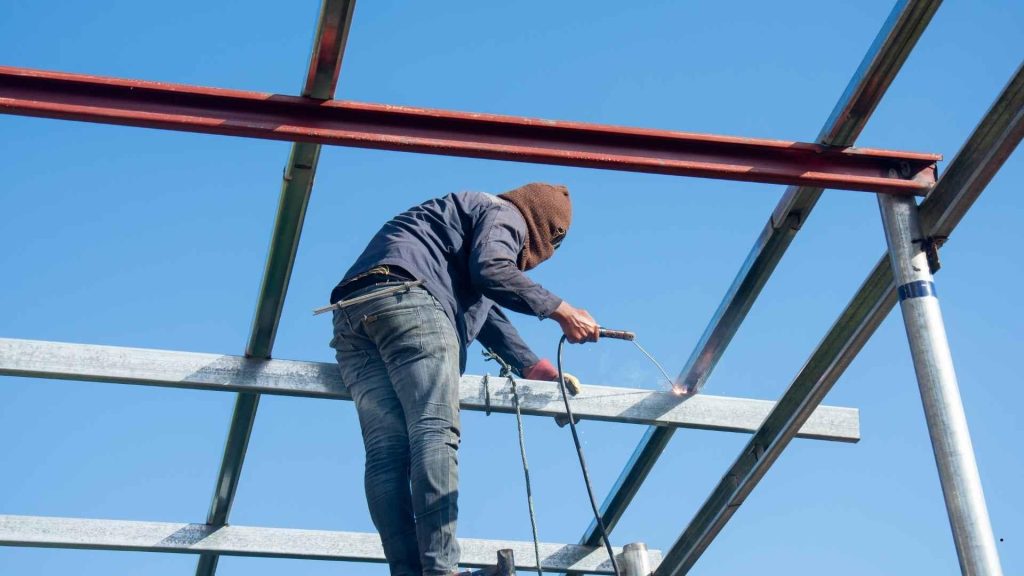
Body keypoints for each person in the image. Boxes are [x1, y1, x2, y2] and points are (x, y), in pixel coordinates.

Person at [328, 182, 599, 575]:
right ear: (544, 232)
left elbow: (484, 307)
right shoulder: (506, 216)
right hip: (410, 299)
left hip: (352, 313)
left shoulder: (459, 222)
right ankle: (440, 569)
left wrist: (532, 367)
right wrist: (561, 310)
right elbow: (492, 270)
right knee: (433, 430)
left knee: (387, 452)